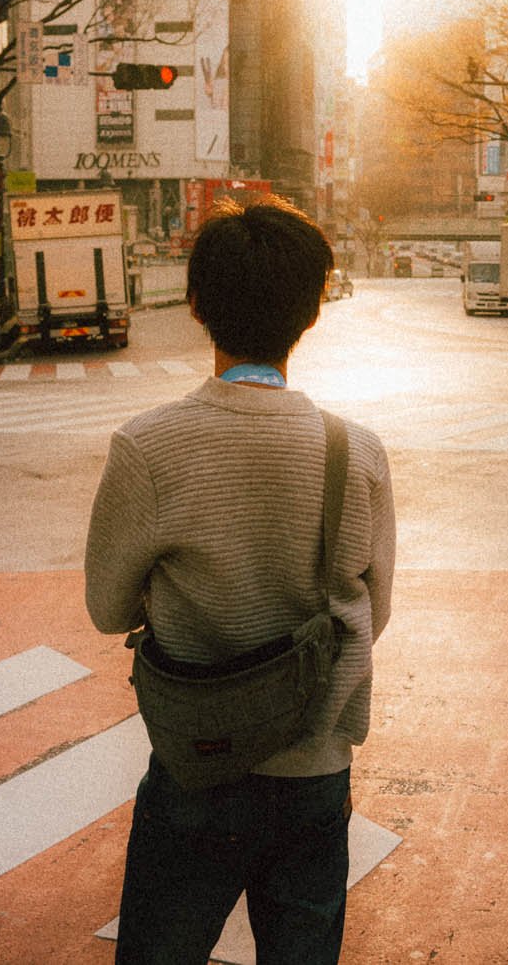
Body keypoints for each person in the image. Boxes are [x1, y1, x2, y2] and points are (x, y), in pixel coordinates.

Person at [87, 196, 396, 964]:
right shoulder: (356, 452)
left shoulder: (147, 446)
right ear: (311, 312)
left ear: (197, 304)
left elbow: (106, 607)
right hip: (314, 768)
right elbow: (375, 610)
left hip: (195, 764)